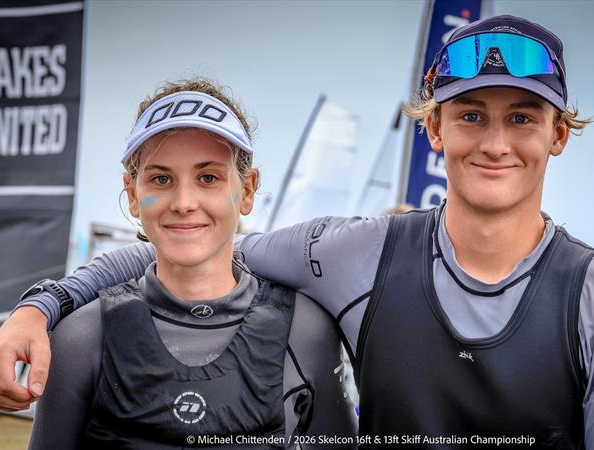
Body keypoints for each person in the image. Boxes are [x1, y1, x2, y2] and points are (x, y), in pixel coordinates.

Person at [0, 15, 594, 449]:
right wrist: (39, 309)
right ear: (434, 129)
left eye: (523, 118)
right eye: (471, 114)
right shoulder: (357, 253)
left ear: (558, 136)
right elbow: (187, 249)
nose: (495, 143)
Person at [24, 79, 355, 448]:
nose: (183, 202)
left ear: (246, 190)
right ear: (134, 194)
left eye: (208, 177)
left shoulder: (305, 328)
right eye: (161, 178)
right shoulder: (82, 336)